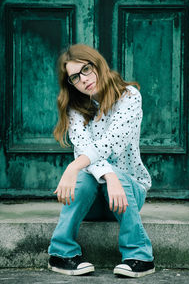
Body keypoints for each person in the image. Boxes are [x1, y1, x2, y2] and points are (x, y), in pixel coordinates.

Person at [48, 44, 155, 278]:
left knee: (86, 171)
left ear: (97, 64)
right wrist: (108, 176)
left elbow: (110, 142)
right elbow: (85, 148)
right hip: (92, 202)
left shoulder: (129, 97)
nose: (83, 80)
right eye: (74, 77)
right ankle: (61, 253)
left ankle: (139, 255)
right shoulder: (75, 109)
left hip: (128, 195)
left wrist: (74, 166)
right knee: (85, 180)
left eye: (86, 69)